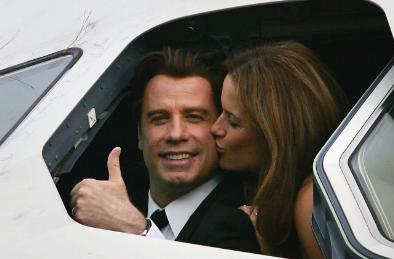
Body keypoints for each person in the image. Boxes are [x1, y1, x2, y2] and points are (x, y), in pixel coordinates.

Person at [70, 47, 260, 253]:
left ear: (219, 127)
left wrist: (138, 231)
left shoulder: (248, 221)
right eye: (159, 118)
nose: (176, 134)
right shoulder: (106, 209)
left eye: (194, 117)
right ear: (140, 135)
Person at [211, 41, 346, 258]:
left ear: (275, 136)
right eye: (220, 112)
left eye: (233, 122)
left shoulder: (313, 201)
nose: (215, 128)